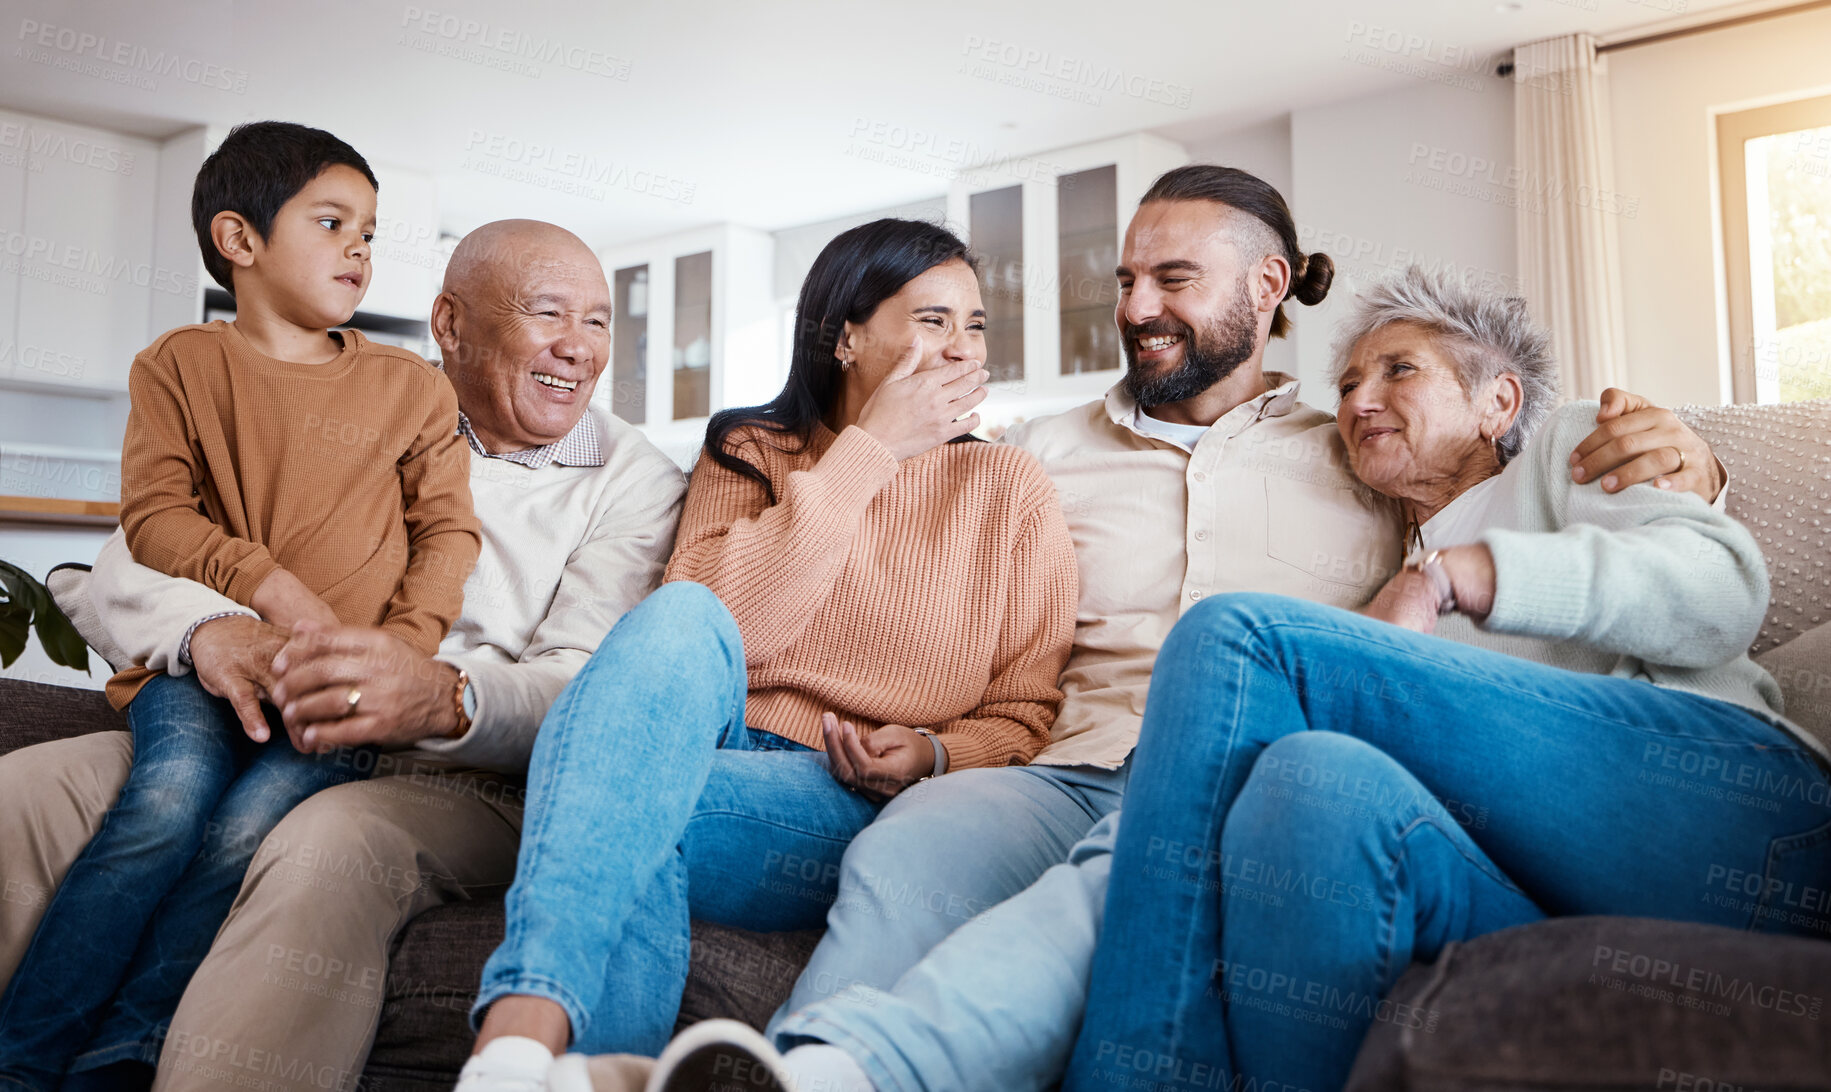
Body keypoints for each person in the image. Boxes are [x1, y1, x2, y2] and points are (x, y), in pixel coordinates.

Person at [637, 169, 1736, 1092]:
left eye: (1173, 278)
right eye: (1125, 280)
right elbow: (882, 548)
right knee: (911, 848)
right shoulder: (1031, 452)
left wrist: (1689, 463)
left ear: (1265, 289)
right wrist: (918, 739)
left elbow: (1514, 491)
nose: (1135, 307)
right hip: (1056, 771)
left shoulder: (1357, 451)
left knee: (1160, 821)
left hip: (1239, 778)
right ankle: (798, 1066)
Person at [0, 217, 687, 1092]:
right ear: (450, 325)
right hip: (264, 719)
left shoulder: (637, 483)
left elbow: (585, 690)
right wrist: (213, 632)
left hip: (460, 775)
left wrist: (437, 697)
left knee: (327, 842)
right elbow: (135, 553)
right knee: (28, 795)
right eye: (547, 313)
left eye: (597, 321)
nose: (578, 348)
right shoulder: (344, 399)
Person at [455, 217, 1080, 1090]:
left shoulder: (1008, 488)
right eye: (932, 319)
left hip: (836, 790)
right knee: (676, 618)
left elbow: (1024, 709)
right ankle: (541, 1055)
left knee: (636, 797)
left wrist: (937, 753)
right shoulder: (749, 450)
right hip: (703, 734)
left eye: (973, 325)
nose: (960, 347)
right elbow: (725, 626)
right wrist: (870, 453)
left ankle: (528, 1047)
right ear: (849, 336)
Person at [0, 121, 482, 1091]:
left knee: (245, 830)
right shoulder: (178, 365)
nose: (361, 247)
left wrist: (391, 657)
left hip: (339, 692)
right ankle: (22, 1060)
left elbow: (448, 535)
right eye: (335, 221)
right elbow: (155, 517)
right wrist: (268, 588)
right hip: (201, 666)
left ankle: (123, 1055)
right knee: (165, 807)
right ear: (240, 239)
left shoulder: (411, 389)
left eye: (372, 230)